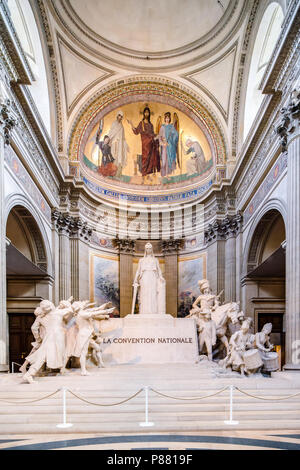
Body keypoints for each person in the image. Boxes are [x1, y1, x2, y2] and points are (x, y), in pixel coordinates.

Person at [22, 299, 73, 384]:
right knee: (43, 355)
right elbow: (70, 309)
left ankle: (29, 373)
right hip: (57, 338)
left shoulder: (41, 317)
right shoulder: (58, 313)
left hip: (49, 338)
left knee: (42, 355)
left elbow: (33, 328)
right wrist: (66, 303)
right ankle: (29, 374)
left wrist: (38, 338)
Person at [65, 301, 114, 376]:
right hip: (84, 335)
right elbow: (93, 313)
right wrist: (106, 311)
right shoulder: (82, 314)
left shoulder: (81, 313)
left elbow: (95, 310)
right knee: (83, 353)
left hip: (84, 335)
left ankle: (84, 370)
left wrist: (105, 307)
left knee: (84, 353)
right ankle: (83, 371)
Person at [132, 242, 166, 315]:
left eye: (150, 248)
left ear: (152, 249)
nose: (148, 250)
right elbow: (138, 270)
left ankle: (153, 311)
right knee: (144, 294)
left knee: (153, 293)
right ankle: (144, 311)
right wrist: (135, 280)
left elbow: (159, 269)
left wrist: (161, 277)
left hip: (153, 277)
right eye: (147, 248)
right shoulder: (141, 260)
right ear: (145, 249)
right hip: (144, 277)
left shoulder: (155, 260)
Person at [127, 107, 160, 180]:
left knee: (150, 158)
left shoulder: (151, 124)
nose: (146, 114)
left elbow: (152, 133)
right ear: (144, 113)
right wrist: (131, 124)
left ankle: (148, 175)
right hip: (145, 143)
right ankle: (144, 174)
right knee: (145, 158)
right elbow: (136, 132)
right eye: (145, 112)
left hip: (151, 142)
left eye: (148, 112)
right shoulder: (141, 123)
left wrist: (157, 136)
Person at [108, 110, 129, 177]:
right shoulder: (114, 123)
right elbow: (111, 132)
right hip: (115, 143)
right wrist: (109, 139)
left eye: (121, 116)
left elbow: (123, 137)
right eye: (119, 116)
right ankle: (112, 172)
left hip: (120, 144)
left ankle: (118, 174)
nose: (120, 117)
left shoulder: (121, 126)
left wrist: (125, 145)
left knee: (120, 158)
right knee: (114, 156)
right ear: (117, 116)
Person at [158, 112, 178, 176]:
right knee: (164, 160)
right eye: (166, 118)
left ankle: (168, 174)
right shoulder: (162, 127)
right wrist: (162, 143)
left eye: (168, 118)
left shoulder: (171, 127)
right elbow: (159, 136)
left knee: (170, 159)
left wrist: (174, 135)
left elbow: (176, 135)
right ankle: (164, 174)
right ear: (165, 119)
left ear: (169, 119)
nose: (167, 119)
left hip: (170, 145)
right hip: (164, 145)